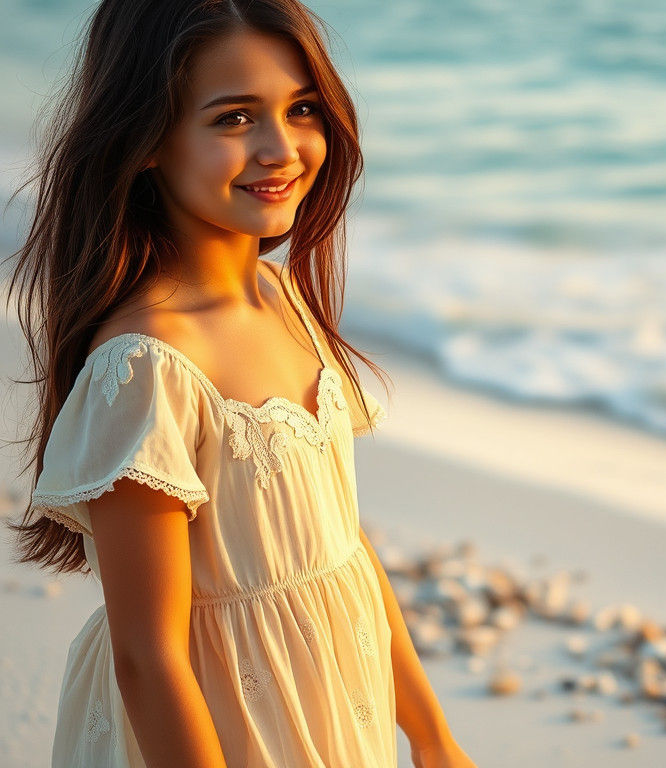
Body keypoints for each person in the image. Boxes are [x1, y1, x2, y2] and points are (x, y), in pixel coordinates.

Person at [4, 1, 476, 766]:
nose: (281, 149)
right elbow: (146, 658)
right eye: (233, 119)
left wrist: (431, 735)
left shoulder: (281, 297)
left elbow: (341, 549)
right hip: (214, 732)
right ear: (149, 137)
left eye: (301, 110)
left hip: (330, 700)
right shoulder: (148, 367)